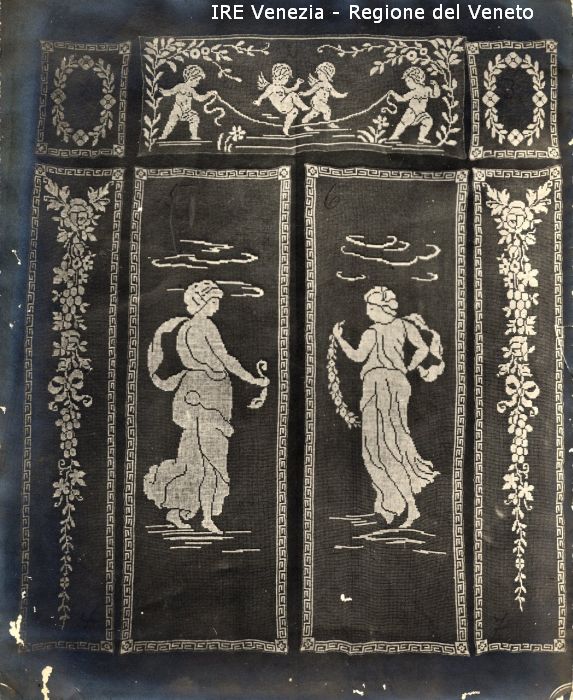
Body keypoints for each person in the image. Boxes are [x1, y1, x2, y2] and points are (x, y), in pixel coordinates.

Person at [143, 280, 269, 533]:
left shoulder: (185, 327)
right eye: (213, 301)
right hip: (206, 394)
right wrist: (253, 379)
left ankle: (182, 512)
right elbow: (225, 358)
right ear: (201, 302)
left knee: (194, 457)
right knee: (211, 458)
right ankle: (204, 517)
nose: (217, 306)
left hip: (202, 391)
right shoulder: (203, 326)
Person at [333, 286, 441, 528]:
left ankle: (407, 506)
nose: (367, 312)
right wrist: (407, 368)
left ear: (380, 308)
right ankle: (388, 506)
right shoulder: (404, 326)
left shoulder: (372, 332)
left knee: (379, 449)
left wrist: (339, 339)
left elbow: (357, 357)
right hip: (398, 383)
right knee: (390, 445)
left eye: (370, 307)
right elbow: (423, 349)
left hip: (378, 383)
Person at [159, 64, 216, 141]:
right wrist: (164, 92)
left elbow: (199, 98)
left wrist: (208, 95)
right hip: (177, 110)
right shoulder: (180, 86)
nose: (198, 83)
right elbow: (171, 91)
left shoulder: (192, 90)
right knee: (171, 122)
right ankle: (164, 136)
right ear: (191, 78)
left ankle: (194, 136)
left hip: (187, 112)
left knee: (195, 118)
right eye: (197, 80)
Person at [386, 66, 440, 144]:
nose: (407, 83)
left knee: (428, 121)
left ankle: (421, 138)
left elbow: (435, 95)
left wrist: (436, 86)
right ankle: (394, 136)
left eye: (409, 81)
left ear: (417, 79)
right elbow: (401, 99)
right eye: (406, 81)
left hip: (421, 113)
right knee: (403, 123)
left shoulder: (427, 89)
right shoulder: (413, 92)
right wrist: (394, 94)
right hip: (411, 112)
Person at [254, 62, 309, 135]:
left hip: (287, 106)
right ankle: (303, 107)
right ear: (279, 77)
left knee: (295, 111)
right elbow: (264, 95)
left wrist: (298, 83)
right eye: (286, 78)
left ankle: (286, 128)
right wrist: (259, 101)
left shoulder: (282, 87)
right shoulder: (271, 87)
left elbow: (292, 89)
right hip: (281, 105)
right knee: (293, 95)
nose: (287, 80)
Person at [300, 62, 348, 130]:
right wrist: (304, 94)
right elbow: (311, 91)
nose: (318, 76)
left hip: (321, 102)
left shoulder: (329, 85)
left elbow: (334, 93)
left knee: (314, 113)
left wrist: (342, 95)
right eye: (318, 74)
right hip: (317, 101)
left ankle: (305, 121)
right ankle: (328, 122)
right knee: (327, 110)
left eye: (320, 74)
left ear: (327, 74)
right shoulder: (319, 84)